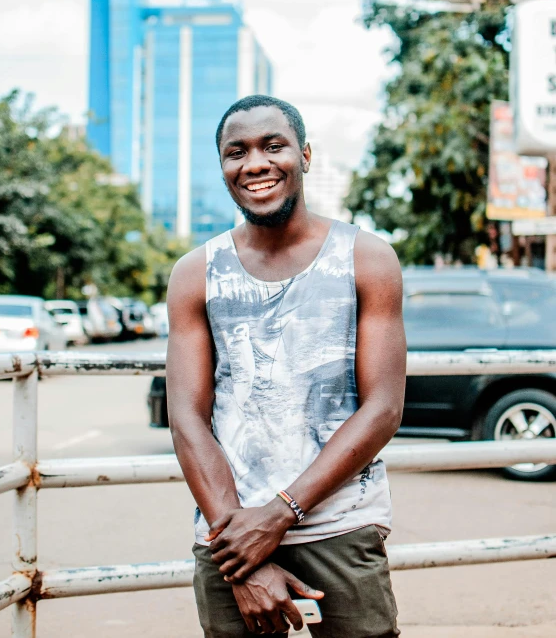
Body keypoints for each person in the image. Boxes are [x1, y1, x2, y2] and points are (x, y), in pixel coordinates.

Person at [166, 95, 406, 637]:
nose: (255, 163)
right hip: (227, 533)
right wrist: (240, 548)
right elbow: (187, 417)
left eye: (273, 146)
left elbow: (383, 408)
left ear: (305, 155)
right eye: (237, 152)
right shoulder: (194, 273)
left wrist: (278, 515)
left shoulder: (365, 257)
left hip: (340, 525)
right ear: (224, 167)